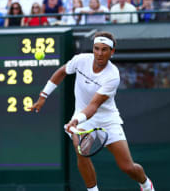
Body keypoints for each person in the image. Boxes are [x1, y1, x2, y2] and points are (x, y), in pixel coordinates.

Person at [29, 31, 155, 191]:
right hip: (84, 119)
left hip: (107, 120)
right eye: (96, 48)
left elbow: (94, 105)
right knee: (81, 149)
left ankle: (145, 184)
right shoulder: (81, 60)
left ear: (112, 52)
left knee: (127, 167)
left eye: (104, 50)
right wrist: (43, 95)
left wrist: (76, 120)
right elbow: (61, 72)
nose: (99, 54)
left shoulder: (112, 76)